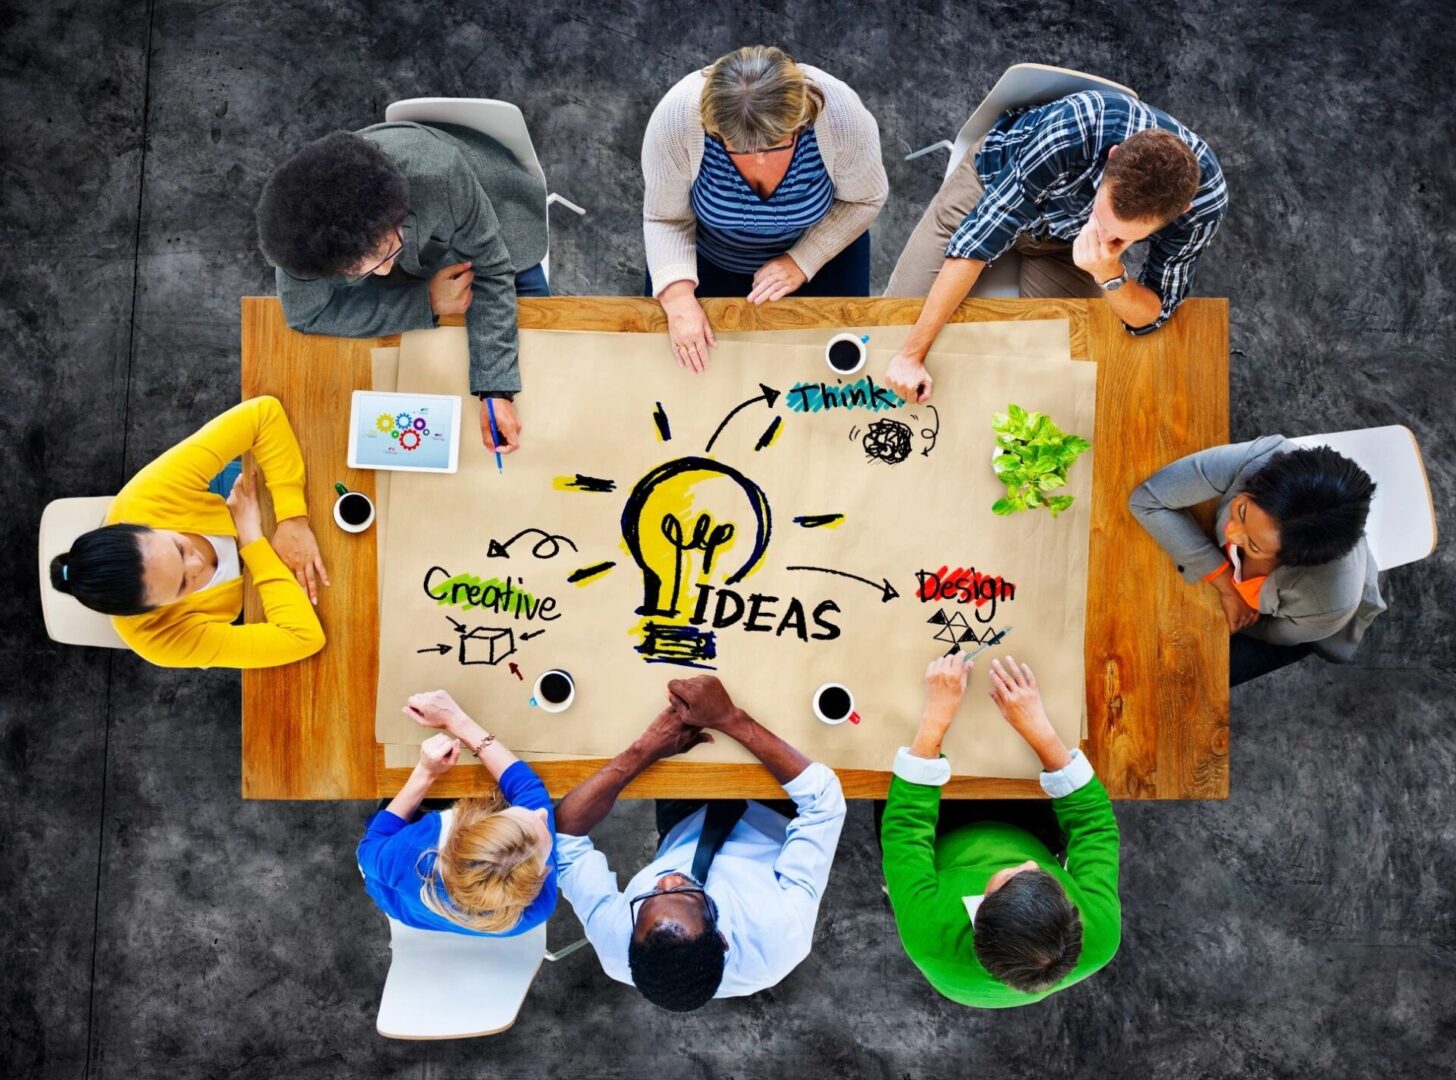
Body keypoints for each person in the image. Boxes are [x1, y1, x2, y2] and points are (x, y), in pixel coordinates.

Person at [882, 90, 1227, 404]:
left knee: (1057, 382)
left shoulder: (1204, 208)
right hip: (992, 186)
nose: (1103, 237)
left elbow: (1153, 316)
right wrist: (911, 355)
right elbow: (978, 241)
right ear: (1113, 156)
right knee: (890, 333)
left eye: (1121, 238)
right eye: (1102, 217)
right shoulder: (1073, 127)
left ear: (1182, 211)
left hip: (1063, 243)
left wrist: (1110, 273)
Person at [256, 120, 549, 455]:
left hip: (496, 217)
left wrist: (496, 390)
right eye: (358, 270)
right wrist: (425, 302)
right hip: (423, 257)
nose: (382, 273)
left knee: (542, 360)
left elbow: (494, 268)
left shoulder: (440, 173)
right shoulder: (299, 237)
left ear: (394, 214)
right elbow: (306, 315)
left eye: (385, 253)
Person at [554, 676, 846, 1011]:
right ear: (721, 938)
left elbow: (563, 835)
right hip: (778, 806)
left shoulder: (615, 941)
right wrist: (729, 719)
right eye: (686, 894)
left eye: (649, 897)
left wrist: (646, 749)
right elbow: (823, 802)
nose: (666, 880)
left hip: (685, 818)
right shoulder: (782, 933)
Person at [880, 654, 1121, 1008]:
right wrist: (1040, 730)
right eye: (1047, 877)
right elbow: (1095, 828)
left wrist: (936, 717)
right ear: (1073, 918)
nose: (1029, 865)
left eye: (1011, 877)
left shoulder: (927, 936)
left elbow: (903, 831)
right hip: (1029, 830)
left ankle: (900, 887)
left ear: (979, 910)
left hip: (937, 843)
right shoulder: (1099, 933)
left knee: (888, 764)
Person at [642, 45, 888, 372]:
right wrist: (677, 298)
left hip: (824, 257)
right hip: (707, 260)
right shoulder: (677, 117)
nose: (758, 159)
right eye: (739, 148)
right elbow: (665, 218)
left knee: (828, 381)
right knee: (685, 376)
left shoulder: (840, 113)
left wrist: (803, 260)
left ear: (800, 120)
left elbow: (865, 199)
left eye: (775, 145)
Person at [48, 396, 327, 669]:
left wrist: (292, 519)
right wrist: (251, 539)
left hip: (241, 500)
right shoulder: (156, 639)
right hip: (261, 582)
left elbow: (263, 415)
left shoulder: (145, 497)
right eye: (184, 583)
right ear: (152, 611)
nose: (198, 564)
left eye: (179, 548)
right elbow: (302, 637)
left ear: (141, 525)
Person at [1129, 437, 1383, 685]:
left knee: (1189, 678)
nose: (1231, 532)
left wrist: (1221, 623)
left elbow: (1273, 633)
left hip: (1292, 627)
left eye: (1253, 545)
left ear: (1290, 560)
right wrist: (1228, 586)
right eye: (1241, 510)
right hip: (1255, 595)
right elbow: (1147, 501)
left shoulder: (1326, 604)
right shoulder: (1262, 458)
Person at [356, 690, 557, 936]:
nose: (542, 814)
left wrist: (426, 772)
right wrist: (456, 721)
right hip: (431, 914)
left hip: (398, 899)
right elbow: (529, 790)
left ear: (471, 826)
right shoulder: (537, 905)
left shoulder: (411, 850)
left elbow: (369, 847)